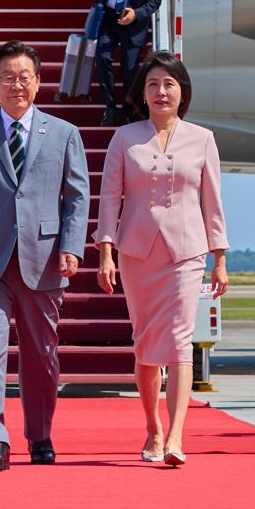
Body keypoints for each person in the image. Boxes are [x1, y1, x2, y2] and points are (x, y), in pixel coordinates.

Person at [0, 41, 88, 472]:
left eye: (25, 76)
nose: (17, 84)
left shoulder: (64, 134)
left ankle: (40, 434)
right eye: (7, 76)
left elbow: (78, 197)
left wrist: (71, 246)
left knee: (41, 352)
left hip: (42, 259)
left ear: (39, 83)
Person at [96, 54, 229, 465]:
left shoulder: (202, 138)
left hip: (187, 253)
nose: (161, 92)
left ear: (182, 92)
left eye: (169, 84)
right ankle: (152, 427)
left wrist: (219, 257)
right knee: (146, 346)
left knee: (179, 342)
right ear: (142, 92)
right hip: (137, 252)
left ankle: (175, 437)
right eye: (153, 84)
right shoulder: (125, 138)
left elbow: (212, 201)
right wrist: (105, 251)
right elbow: (110, 198)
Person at [95, 0, 163, 126]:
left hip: (133, 23)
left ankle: (129, 107)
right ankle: (109, 105)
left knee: (130, 69)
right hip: (110, 16)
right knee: (102, 55)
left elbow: (155, 1)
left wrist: (136, 14)